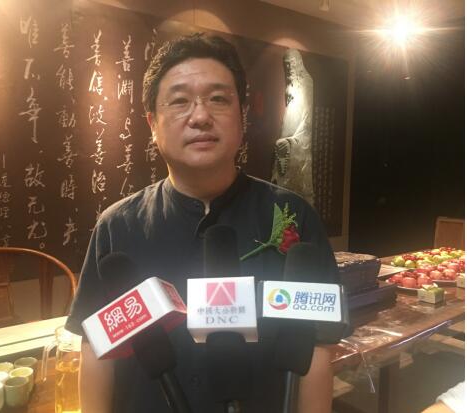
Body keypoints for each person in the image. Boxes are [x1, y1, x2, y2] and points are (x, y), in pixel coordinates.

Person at [66, 33, 338, 413]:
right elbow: (96, 348)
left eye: (218, 99)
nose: (200, 117)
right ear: (152, 123)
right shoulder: (116, 227)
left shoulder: (295, 217)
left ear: (242, 116)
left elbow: (318, 345)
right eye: (180, 101)